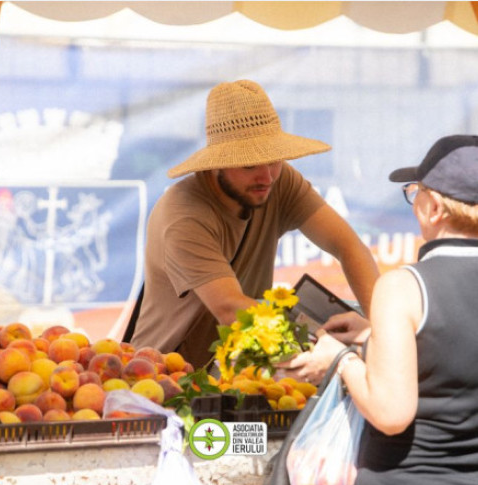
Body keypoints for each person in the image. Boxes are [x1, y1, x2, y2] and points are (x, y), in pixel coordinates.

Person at [277, 134, 478, 485]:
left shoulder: (404, 287)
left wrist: (341, 359)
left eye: (416, 193)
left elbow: (390, 413)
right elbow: (457, 349)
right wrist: (375, 336)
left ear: (433, 208)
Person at [131, 79, 379, 368]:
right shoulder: (184, 215)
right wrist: (318, 338)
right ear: (217, 163)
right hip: (168, 381)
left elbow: (348, 245)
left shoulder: (279, 179)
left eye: (274, 160)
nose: (267, 177)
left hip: (239, 373)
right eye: (249, 165)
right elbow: (230, 308)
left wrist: (380, 332)